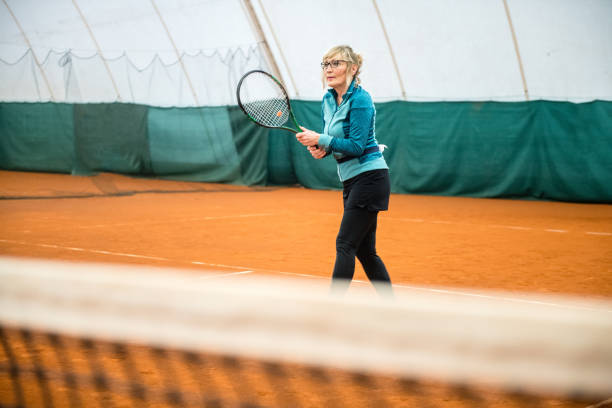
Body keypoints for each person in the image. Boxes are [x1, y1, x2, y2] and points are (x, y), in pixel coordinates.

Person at [296, 45, 393, 297]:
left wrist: (323, 139)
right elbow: (335, 139)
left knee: (345, 243)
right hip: (352, 180)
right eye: (326, 64)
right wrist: (321, 147)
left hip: (370, 178)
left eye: (336, 63)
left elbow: (358, 145)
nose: (329, 69)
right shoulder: (328, 99)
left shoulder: (361, 99)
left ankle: (333, 307)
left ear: (353, 68)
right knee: (364, 251)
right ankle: (392, 305)